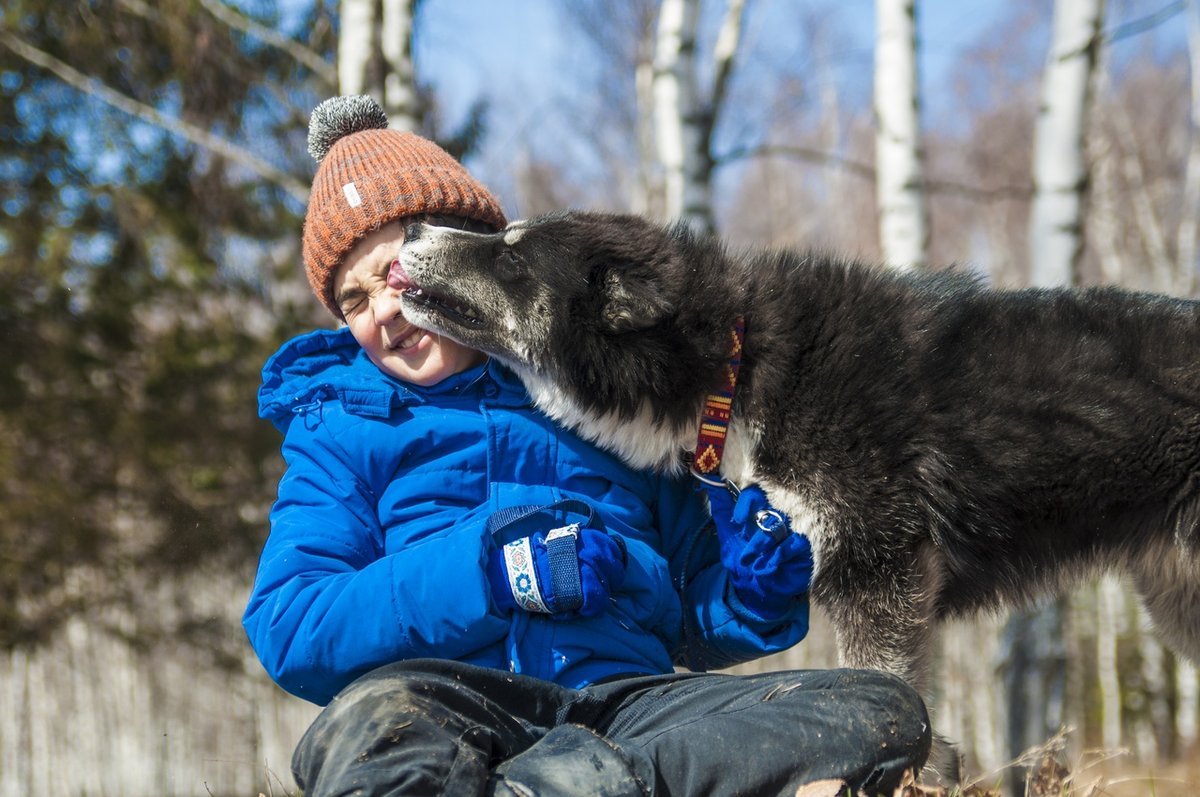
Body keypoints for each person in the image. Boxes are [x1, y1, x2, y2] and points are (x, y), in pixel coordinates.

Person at [243, 95, 931, 797]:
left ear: (458, 256)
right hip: (445, 700)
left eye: (395, 273)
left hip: (626, 700)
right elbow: (291, 623)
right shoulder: (338, 426)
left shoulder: (599, 389)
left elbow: (694, 609)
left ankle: (541, 788)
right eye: (354, 300)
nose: (385, 309)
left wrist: (751, 594)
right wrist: (487, 572)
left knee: (880, 709)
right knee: (365, 730)